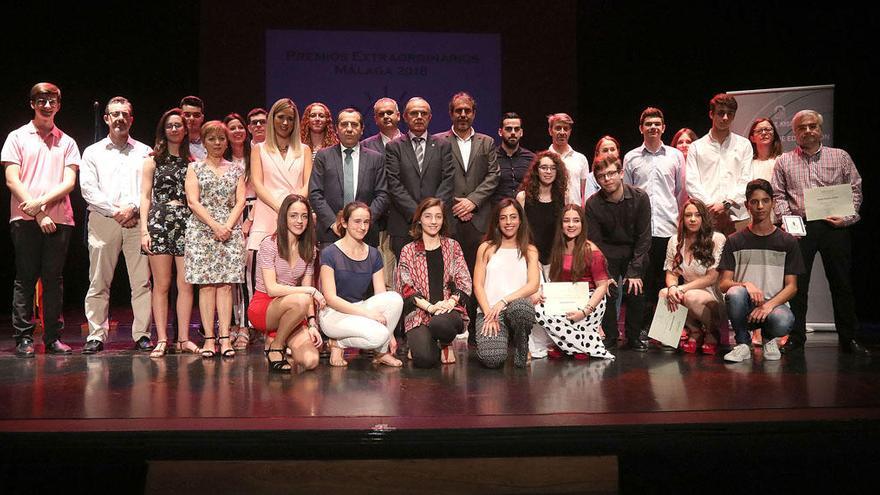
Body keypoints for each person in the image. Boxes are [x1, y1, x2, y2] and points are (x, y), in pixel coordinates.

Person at [772, 110, 868, 356]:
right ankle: (796, 337)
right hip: (800, 229)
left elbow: (855, 190)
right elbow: (778, 195)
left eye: (812, 126)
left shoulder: (840, 157)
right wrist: (788, 222)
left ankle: (849, 338)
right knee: (797, 286)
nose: (807, 131)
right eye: (801, 127)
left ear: (820, 129)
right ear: (794, 133)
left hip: (833, 227)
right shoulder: (784, 161)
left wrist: (846, 218)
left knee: (841, 284)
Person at [2, 82, 80, 357]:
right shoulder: (17, 137)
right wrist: (38, 212)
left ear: (59, 105)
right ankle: (23, 337)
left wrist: (42, 205)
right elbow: (12, 179)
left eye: (52, 101)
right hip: (25, 219)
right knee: (25, 278)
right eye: (41, 101)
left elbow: (69, 182)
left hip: (60, 220)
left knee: (53, 279)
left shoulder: (67, 142)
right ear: (32, 104)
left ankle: (52, 338)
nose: (47, 106)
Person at [80, 96, 153, 354]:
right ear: (107, 119)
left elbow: (149, 187)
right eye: (115, 114)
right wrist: (116, 211)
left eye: (125, 114)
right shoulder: (92, 152)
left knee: (142, 281)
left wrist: (132, 208)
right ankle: (96, 335)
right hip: (104, 220)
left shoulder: (145, 151)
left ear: (131, 119)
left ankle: (143, 334)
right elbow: (88, 189)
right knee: (99, 280)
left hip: (136, 220)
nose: (120, 118)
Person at [435, 92, 500, 339]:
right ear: (451, 113)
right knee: (448, 274)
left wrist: (472, 201)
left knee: (476, 274)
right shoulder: (439, 141)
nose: (463, 115)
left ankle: (475, 328)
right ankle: (451, 327)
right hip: (449, 217)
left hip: (478, 218)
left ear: (474, 113)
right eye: (458, 110)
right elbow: (436, 177)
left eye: (467, 111)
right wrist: (456, 204)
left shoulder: (487, 142)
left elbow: (493, 176)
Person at [718, 179, 803, 363]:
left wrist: (768, 305)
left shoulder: (787, 241)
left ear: (772, 202)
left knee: (784, 320)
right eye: (754, 202)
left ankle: (769, 339)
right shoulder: (734, 240)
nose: (760, 206)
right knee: (735, 293)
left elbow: (792, 287)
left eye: (765, 200)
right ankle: (742, 343)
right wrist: (746, 285)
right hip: (745, 306)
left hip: (773, 306)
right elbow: (724, 283)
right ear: (747, 205)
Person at [184, 120, 246, 358]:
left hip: (229, 229)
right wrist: (215, 226)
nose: (218, 143)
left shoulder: (236, 169)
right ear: (205, 142)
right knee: (207, 286)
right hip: (203, 230)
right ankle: (209, 339)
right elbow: (193, 202)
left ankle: (225, 338)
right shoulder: (195, 168)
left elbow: (240, 201)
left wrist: (227, 227)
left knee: (226, 286)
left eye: (221, 138)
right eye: (212, 139)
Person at [623, 107, 686, 342]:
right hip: (641, 232)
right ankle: (642, 329)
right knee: (644, 284)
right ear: (641, 128)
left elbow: (680, 193)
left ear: (663, 127)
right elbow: (626, 196)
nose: (653, 127)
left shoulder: (675, 156)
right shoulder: (631, 158)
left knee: (667, 281)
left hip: (668, 229)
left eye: (657, 123)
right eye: (648, 123)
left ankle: (666, 332)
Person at [140, 109, 198, 357]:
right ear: (163, 130)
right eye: (170, 126)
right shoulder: (152, 160)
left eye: (178, 125)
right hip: (160, 221)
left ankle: (184, 338)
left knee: (185, 283)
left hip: (186, 222)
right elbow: (144, 197)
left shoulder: (192, 162)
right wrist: (144, 230)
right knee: (161, 284)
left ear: (185, 130)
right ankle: (162, 338)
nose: (174, 129)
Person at [319, 202, 403, 367]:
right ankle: (337, 343)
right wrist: (367, 314)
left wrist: (391, 333)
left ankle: (381, 352)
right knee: (378, 335)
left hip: (360, 308)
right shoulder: (330, 253)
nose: (362, 226)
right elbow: (330, 298)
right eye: (357, 221)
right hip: (334, 314)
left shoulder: (373, 254)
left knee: (395, 298)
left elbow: (381, 295)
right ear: (344, 222)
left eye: (366, 222)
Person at [248, 195, 325, 372]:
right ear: (284, 217)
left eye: (304, 216)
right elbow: (272, 289)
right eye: (293, 215)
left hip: (294, 310)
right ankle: (277, 346)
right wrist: (311, 290)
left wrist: (312, 323)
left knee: (311, 360)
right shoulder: (269, 244)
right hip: (264, 307)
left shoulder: (309, 249)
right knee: (302, 299)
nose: (300, 221)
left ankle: (275, 340)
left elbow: (306, 292)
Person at [395, 197, 472, 367]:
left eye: (438, 216)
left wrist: (450, 302)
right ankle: (418, 343)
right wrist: (431, 307)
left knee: (441, 324)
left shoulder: (452, 246)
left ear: (443, 220)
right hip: (420, 312)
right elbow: (405, 288)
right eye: (428, 216)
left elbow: (464, 280)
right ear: (420, 219)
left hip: (449, 310)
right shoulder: (408, 250)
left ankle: (445, 343)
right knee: (424, 360)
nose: (433, 221)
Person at [585, 157, 652, 351]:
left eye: (611, 173)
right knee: (608, 291)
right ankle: (611, 336)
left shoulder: (640, 197)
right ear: (597, 180)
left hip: (634, 252)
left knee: (636, 289)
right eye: (601, 176)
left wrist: (634, 271)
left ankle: (633, 337)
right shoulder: (593, 204)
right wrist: (605, 275)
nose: (607, 179)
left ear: (621, 173)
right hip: (607, 254)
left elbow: (644, 237)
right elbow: (595, 243)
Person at [533, 204, 614, 359]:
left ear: (582, 224)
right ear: (561, 224)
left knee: (573, 318)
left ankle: (576, 346)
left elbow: (602, 286)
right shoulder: (558, 248)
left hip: (590, 300)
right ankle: (573, 346)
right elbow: (557, 281)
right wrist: (545, 295)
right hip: (566, 296)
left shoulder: (591, 250)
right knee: (536, 309)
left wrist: (585, 311)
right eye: (566, 221)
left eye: (576, 221)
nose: (571, 225)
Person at [472, 198, 540, 368]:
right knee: (492, 359)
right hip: (490, 311)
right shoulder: (486, 248)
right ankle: (502, 340)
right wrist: (488, 313)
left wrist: (504, 300)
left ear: (520, 220)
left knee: (521, 309)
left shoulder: (530, 250)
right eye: (503, 218)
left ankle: (520, 342)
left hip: (515, 308)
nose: (508, 222)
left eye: (513, 217)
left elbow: (533, 285)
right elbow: (478, 285)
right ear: (497, 221)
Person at [384, 97, 456, 258]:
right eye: (414, 113)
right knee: (406, 278)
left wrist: (432, 214)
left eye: (423, 113)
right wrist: (418, 215)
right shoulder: (394, 147)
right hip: (404, 223)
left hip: (437, 224)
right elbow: (393, 183)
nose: (419, 117)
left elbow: (448, 180)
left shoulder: (443, 145)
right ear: (405, 117)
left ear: (429, 117)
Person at [309, 108, 389, 247]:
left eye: (354, 124)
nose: (349, 129)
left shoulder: (375, 158)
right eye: (344, 124)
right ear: (337, 128)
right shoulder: (323, 156)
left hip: (366, 234)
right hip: (331, 234)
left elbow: (382, 194)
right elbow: (315, 193)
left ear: (362, 129)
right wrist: (334, 223)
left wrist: (363, 222)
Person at [658, 198, 726, 355]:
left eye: (697, 215)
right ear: (683, 219)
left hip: (712, 294)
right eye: (688, 215)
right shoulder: (675, 240)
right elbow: (671, 273)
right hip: (687, 291)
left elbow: (712, 278)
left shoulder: (717, 238)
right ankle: (695, 331)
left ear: (704, 217)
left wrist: (680, 288)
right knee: (664, 292)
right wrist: (673, 287)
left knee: (690, 296)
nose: (693, 219)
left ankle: (712, 331)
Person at [249, 98, 312, 252]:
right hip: (269, 211)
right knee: (265, 269)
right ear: (272, 118)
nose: (285, 123)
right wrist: (281, 208)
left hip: (296, 213)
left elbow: (308, 184)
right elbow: (257, 184)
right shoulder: (259, 149)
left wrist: (292, 208)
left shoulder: (304, 150)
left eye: (290, 119)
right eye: (281, 117)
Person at [685, 93, 753, 234]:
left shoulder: (744, 144)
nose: (725, 118)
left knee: (739, 256)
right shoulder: (697, 146)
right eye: (721, 113)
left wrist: (726, 204)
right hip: (707, 216)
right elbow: (692, 182)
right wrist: (712, 207)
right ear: (711, 114)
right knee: (706, 256)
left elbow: (746, 180)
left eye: (730, 114)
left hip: (738, 216)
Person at [223, 112, 254, 349]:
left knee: (247, 275)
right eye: (232, 128)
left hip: (252, 214)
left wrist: (249, 220)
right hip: (227, 216)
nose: (237, 131)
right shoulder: (222, 159)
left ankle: (246, 325)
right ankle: (232, 323)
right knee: (230, 276)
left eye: (240, 127)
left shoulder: (255, 156)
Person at [516, 151, 568, 268]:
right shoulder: (523, 197)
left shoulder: (565, 197)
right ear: (536, 170)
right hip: (529, 258)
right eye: (544, 167)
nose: (548, 172)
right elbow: (519, 232)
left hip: (556, 258)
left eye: (553, 168)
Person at [547, 113, 597, 205]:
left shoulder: (580, 159)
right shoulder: (544, 159)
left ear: (570, 131)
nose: (562, 132)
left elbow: (584, 194)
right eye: (558, 128)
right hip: (550, 212)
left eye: (565, 129)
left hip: (574, 213)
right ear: (550, 131)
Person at [493, 112, 535, 203]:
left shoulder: (532, 159)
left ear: (521, 132)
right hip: (497, 212)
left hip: (524, 212)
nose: (513, 133)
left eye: (516, 129)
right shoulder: (491, 157)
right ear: (500, 132)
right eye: (508, 129)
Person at [180, 95, 206, 160]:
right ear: (180, 116)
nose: (191, 118)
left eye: (196, 115)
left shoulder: (210, 141)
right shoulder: (173, 142)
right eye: (187, 115)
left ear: (202, 118)